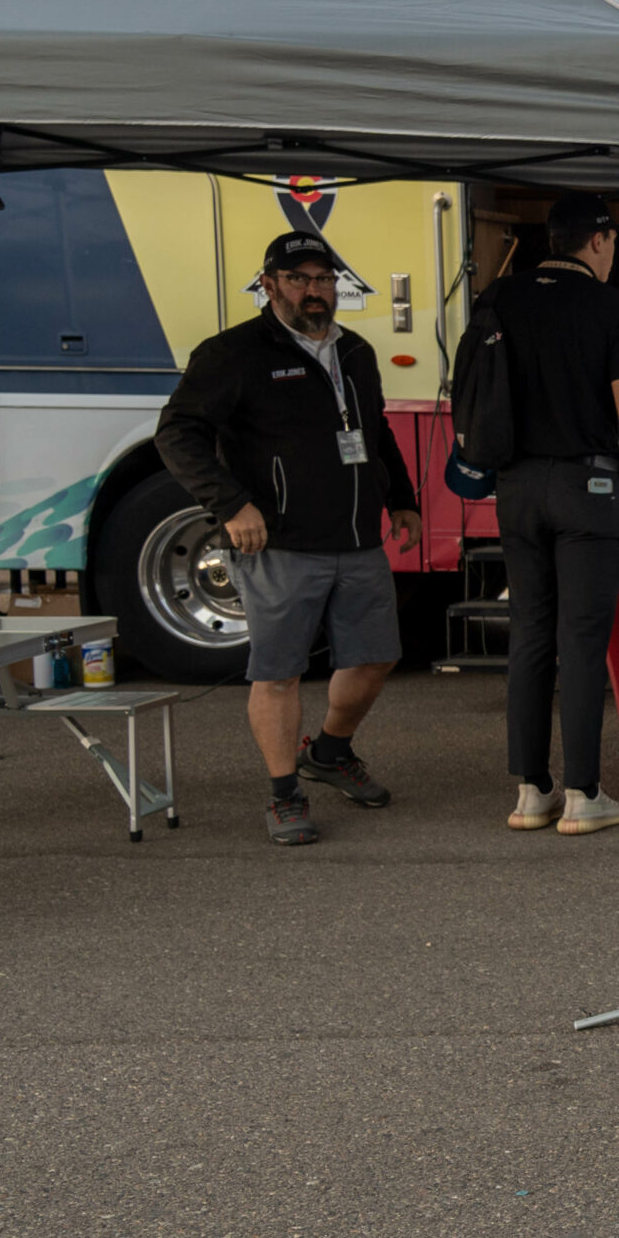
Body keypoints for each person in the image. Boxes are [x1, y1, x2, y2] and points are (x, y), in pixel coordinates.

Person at [156, 232, 423, 845]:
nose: (314, 291)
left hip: (357, 540)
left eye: (324, 279)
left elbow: (374, 430)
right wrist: (231, 505)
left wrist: (402, 499)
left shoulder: (355, 350)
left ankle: (328, 753)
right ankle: (284, 795)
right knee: (278, 673)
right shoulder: (233, 353)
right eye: (298, 279)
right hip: (279, 545)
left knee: (376, 657)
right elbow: (176, 433)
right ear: (269, 284)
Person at [475, 193, 619, 835]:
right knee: (582, 640)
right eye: (614, 240)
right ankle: (583, 793)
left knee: (531, 636)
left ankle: (530, 791)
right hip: (585, 488)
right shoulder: (611, 307)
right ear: (597, 241)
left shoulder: (498, 298)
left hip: (515, 487)